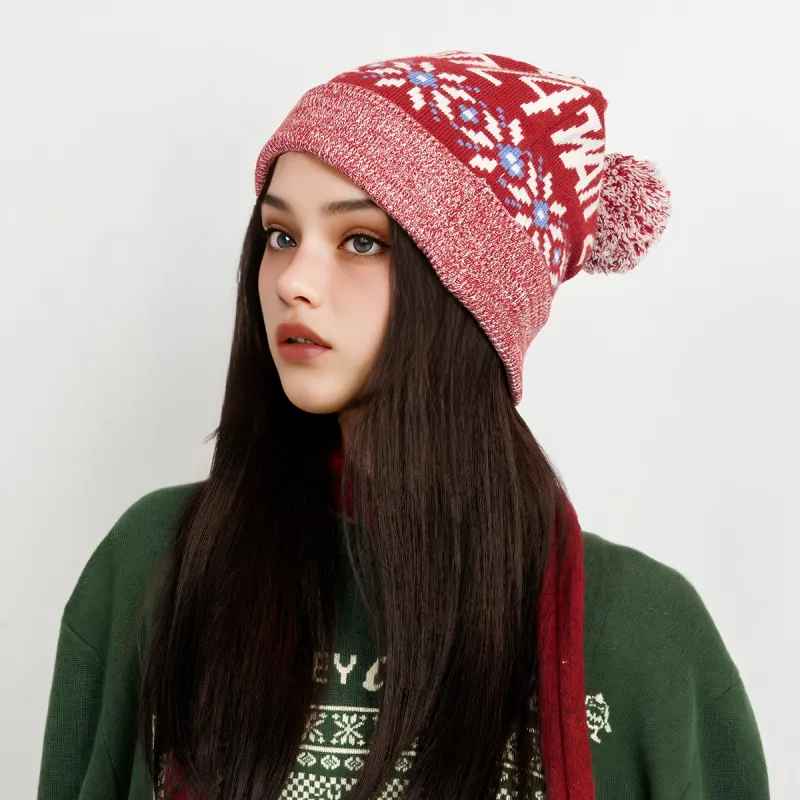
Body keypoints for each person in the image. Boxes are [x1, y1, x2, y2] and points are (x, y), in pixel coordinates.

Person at [37, 50, 769, 800]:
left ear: (470, 299)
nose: (293, 281)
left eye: (361, 241)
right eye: (280, 236)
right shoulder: (157, 566)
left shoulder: (644, 634)